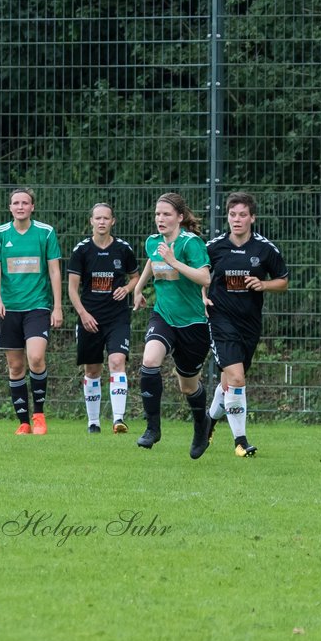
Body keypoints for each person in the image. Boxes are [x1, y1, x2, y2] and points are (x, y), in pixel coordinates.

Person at [203, 192, 289, 457]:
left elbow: (283, 281)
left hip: (249, 324)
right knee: (237, 378)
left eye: (242, 215)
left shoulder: (264, 249)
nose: (237, 220)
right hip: (220, 320)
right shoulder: (214, 247)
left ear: (252, 217)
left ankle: (207, 421)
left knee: (230, 382)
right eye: (232, 215)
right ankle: (240, 441)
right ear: (227, 216)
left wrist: (263, 284)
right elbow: (199, 276)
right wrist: (202, 297)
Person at [130, 192, 212, 458]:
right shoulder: (153, 242)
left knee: (188, 386)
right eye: (157, 214)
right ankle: (152, 428)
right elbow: (153, 262)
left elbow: (205, 278)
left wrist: (174, 261)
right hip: (163, 316)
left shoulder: (191, 243)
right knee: (150, 360)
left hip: (193, 324)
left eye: (166, 214)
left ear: (179, 217)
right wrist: (139, 287)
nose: (160, 219)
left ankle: (202, 425)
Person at [0, 187, 63, 435]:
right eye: (16, 203)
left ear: (32, 207)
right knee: (16, 367)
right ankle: (23, 421)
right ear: (10, 208)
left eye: (25, 203)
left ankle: (39, 414)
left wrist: (58, 307)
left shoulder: (46, 232)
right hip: (9, 309)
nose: (20, 207)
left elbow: (54, 271)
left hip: (37, 306)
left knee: (36, 358)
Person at [66, 202, 139, 434]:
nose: (101, 222)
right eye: (97, 218)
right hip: (90, 319)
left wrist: (127, 289)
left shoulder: (123, 249)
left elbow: (136, 277)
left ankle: (118, 420)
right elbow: (71, 288)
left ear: (113, 221)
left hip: (117, 317)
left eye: (106, 218)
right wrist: (83, 314)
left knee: (117, 362)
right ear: (91, 221)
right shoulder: (82, 251)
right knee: (92, 370)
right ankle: (93, 422)